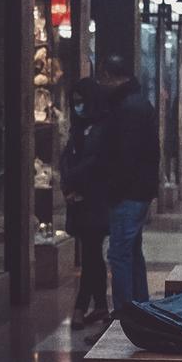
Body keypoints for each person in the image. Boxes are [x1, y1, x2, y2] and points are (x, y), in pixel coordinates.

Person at [97, 53, 160, 313]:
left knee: (120, 253)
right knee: (132, 252)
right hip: (138, 190)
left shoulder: (127, 108)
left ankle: (125, 315)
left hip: (128, 193)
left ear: (111, 77)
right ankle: (141, 309)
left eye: (103, 78)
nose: (101, 83)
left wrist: (113, 190)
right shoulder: (137, 103)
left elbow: (125, 155)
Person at [60, 77, 110, 330]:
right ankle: (100, 304)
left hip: (95, 201)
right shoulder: (77, 129)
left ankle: (81, 306)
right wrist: (67, 187)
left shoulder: (102, 128)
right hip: (79, 202)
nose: (77, 106)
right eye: (74, 102)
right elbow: (67, 158)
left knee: (90, 254)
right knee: (92, 255)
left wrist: (73, 179)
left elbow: (96, 163)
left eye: (81, 101)